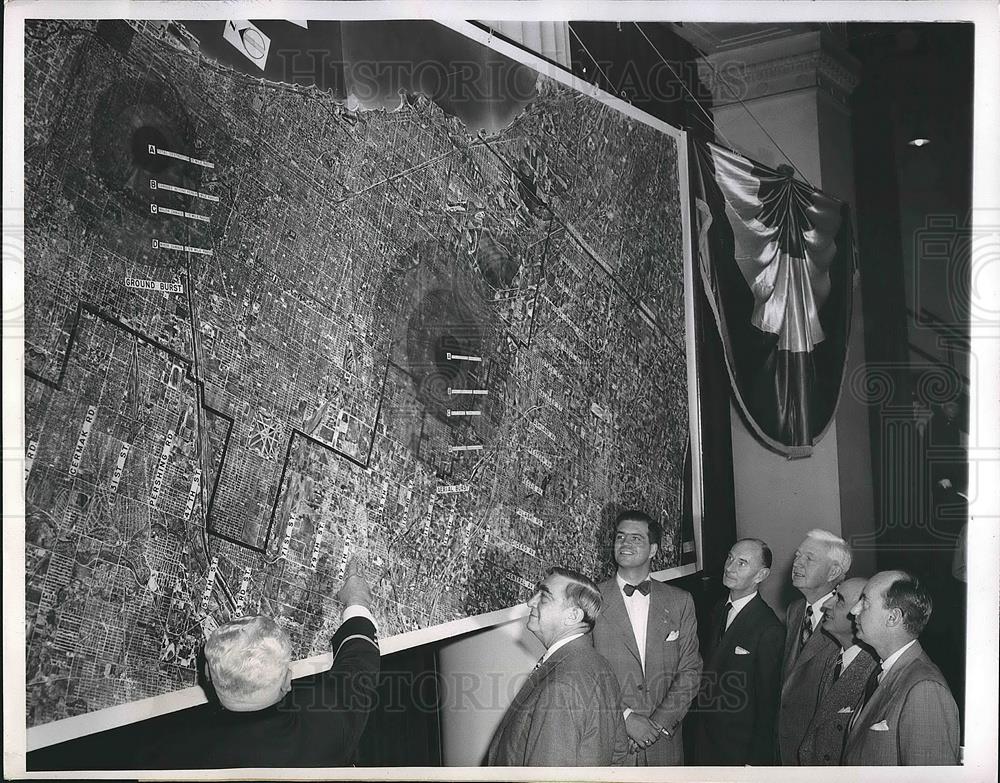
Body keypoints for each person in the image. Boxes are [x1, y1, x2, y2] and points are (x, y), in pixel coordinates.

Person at [145, 558, 380, 768]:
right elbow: (359, 664)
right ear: (287, 683)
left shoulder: (170, 753)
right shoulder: (325, 729)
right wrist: (357, 600)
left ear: (207, 671)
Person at [486, 567, 628, 766]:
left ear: (572, 616)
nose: (530, 602)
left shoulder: (562, 686)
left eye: (543, 597)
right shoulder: (599, 665)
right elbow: (619, 753)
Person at [591, 511, 702, 765]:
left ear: (653, 550)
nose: (625, 544)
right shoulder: (591, 598)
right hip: (611, 744)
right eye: (620, 537)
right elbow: (585, 675)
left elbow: (691, 670)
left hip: (664, 746)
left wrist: (658, 724)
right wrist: (627, 718)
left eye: (635, 538)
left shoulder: (680, 601)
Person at [842, 570, 960, 765]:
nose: (854, 610)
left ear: (893, 618)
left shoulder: (925, 689)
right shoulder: (882, 671)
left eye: (865, 602)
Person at [693, 538, 784, 765]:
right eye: (730, 558)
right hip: (704, 742)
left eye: (742, 563)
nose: (729, 567)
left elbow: (768, 704)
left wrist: (755, 763)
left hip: (737, 752)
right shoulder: (717, 609)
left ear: (761, 575)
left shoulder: (768, 628)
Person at [777, 529, 852, 764]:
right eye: (798, 556)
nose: (797, 563)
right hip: (784, 748)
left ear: (834, 571)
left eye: (809, 558)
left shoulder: (849, 620)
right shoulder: (795, 610)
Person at [797, 577, 878, 765]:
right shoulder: (835, 660)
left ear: (861, 613)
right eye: (833, 595)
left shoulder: (873, 673)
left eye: (839, 599)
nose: (825, 604)